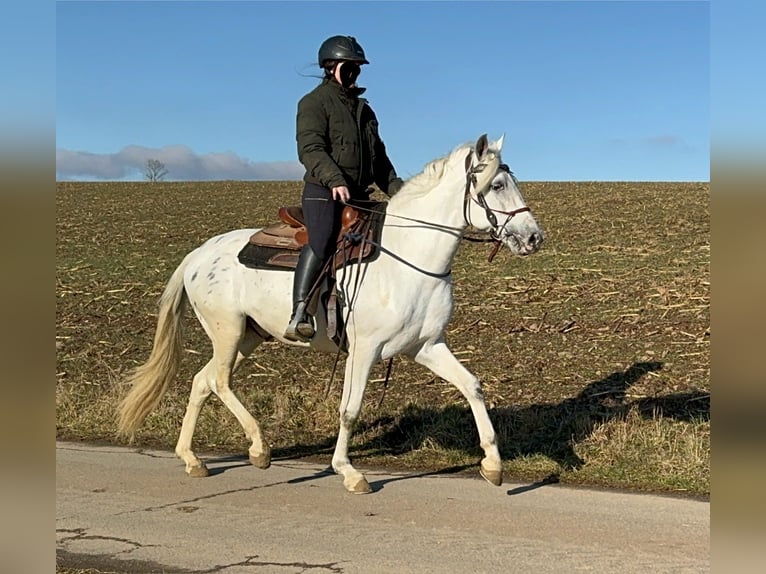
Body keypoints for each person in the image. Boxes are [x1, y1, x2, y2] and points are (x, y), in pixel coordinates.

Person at [284, 35, 404, 342]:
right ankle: (299, 313)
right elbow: (310, 149)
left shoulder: (365, 111)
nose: (353, 73)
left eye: (357, 68)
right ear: (330, 67)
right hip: (323, 190)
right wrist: (334, 179)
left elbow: (380, 160)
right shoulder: (313, 103)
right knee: (322, 241)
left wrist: (403, 194)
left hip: (360, 195)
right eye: (348, 67)